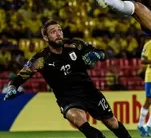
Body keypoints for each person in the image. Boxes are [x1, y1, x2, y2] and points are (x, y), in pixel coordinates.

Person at [3, 20, 132, 138]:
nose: (58, 34)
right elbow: (21, 75)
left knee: (112, 123)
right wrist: (12, 87)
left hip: (89, 92)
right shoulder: (41, 59)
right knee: (78, 120)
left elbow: (102, 53)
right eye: (53, 32)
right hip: (67, 98)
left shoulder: (74, 45)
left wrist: (97, 54)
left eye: (59, 30)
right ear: (46, 37)